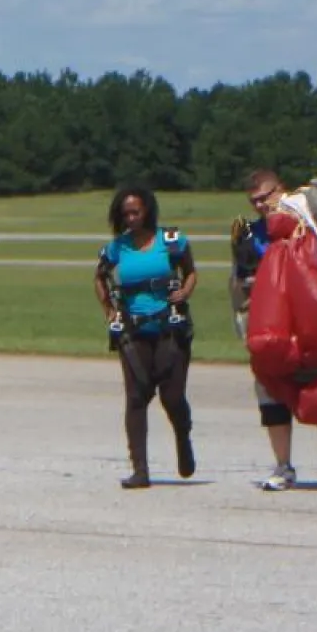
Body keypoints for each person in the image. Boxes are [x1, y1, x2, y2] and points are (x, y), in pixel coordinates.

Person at [231, 168, 317, 491]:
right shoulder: (249, 234)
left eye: (267, 197)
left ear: (282, 189)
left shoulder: (309, 225)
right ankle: (283, 466)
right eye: (255, 201)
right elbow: (238, 280)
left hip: (309, 320)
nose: (262, 205)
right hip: (270, 324)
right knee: (269, 390)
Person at [94, 184, 198, 489]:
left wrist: (185, 291)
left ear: (148, 210)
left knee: (172, 396)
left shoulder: (172, 241)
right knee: (136, 398)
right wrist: (109, 312)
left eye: (135, 211)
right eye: (125, 213)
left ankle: (183, 436)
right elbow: (99, 277)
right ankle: (140, 469)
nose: (130, 218)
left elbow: (190, 271)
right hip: (134, 331)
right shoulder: (117, 247)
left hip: (170, 327)